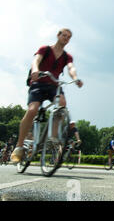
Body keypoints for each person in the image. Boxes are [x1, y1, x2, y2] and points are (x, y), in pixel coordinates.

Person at [11, 28, 83, 163]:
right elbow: (36, 60)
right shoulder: (45, 49)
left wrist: (75, 78)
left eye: (68, 37)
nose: (66, 38)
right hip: (38, 84)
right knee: (33, 110)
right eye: (64, 35)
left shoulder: (67, 56)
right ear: (58, 35)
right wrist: (36, 70)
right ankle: (19, 146)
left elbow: (71, 67)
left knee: (62, 104)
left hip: (54, 85)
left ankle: (52, 138)